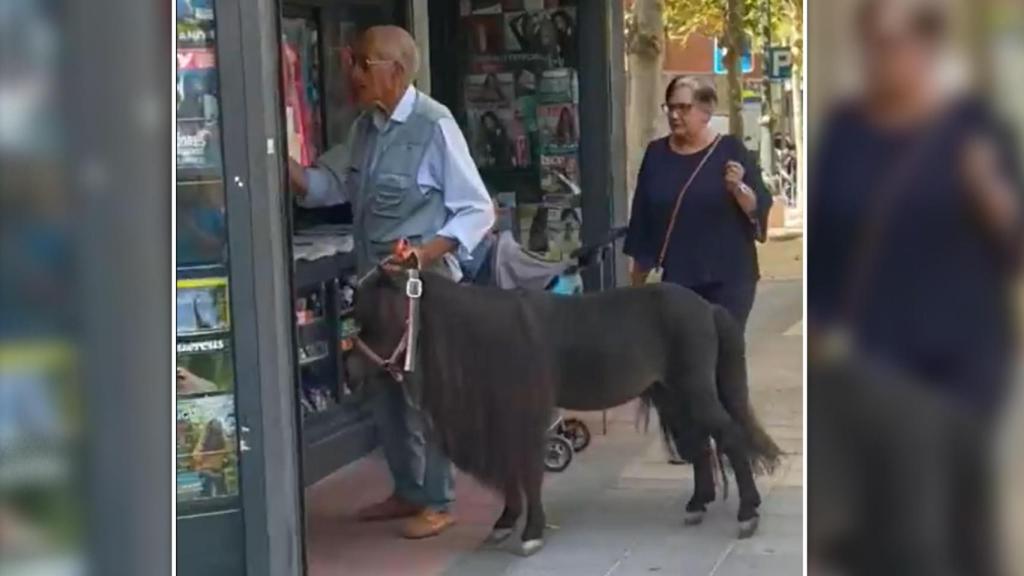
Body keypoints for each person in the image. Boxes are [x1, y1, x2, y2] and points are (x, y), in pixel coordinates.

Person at [287, 26, 494, 539]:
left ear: (394, 71)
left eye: (359, 62)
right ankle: (407, 489)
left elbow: (477, 209)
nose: (350, 73)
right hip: (373, 288)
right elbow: (323, 185)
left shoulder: (434, 125)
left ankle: (440, 501)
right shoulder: (366, 128)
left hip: (421, 288)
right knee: (382, 390)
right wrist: (271, 154)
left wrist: (424, 253)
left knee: (427, 392)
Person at [624, 77, 771, 465]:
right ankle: (693, 443)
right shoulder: (656, 156)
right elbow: (642, 221)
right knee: (680, 364)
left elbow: (758, 208)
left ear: (706, 110)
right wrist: (635, 286)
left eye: (684, 107)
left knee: (721, 356)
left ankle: (732, 440)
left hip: (730, 276)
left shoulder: (730, 151)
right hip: (679, 278)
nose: (675, 114)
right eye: (670, 106)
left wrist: (739, 189)